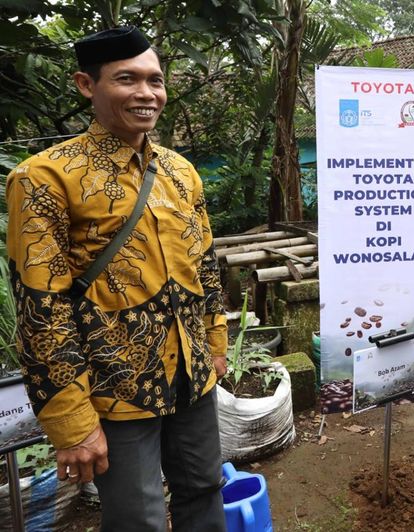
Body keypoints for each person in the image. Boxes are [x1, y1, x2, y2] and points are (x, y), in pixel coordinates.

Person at [6, 27, 228, 531]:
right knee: (138, 518)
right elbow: (43, 309)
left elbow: (205, 266)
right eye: (127, 79)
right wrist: (71, 423)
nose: (146, 93)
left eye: (155, 80)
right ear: (87, 85)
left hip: (192, 375)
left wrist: (216, 342)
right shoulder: (45, 177)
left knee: (204, 489)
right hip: (113, 387)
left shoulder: (181, 171)